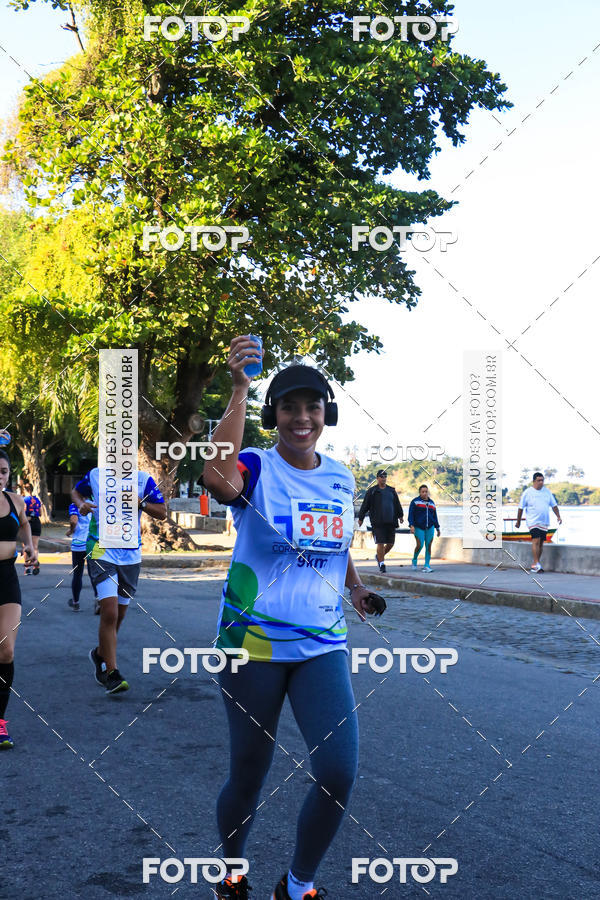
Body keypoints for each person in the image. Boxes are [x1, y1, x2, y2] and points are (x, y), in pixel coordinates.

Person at [202, 335, 383, 900]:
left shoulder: (342, 476)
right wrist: (239, 387)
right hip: (249, 644)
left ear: (326, 413)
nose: (301, 418)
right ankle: (232, 870)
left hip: (322, 644)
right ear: (273, 415)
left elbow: (337, 543)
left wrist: (354, 588)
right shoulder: (256, 464)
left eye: (312, 407)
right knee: (249, 774)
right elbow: (216, 480)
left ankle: (298, 883)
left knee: (338, 770)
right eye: (288, 407)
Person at [71, 466, 166, 693]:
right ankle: (111, 672)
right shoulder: (95, 474)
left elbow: (162, 512)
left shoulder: (143, 479)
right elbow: (76, 492)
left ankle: (99, 653)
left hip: (130, 555)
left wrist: (140, 503)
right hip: (100, 550)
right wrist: (81, 504)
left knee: (120, 614)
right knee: (110, 612)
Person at [0, 448, 37, 749]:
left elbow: (24, 524)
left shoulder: (15, 500)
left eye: (3, 471)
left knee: (6, 652)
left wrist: (30, 547)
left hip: (7, 579)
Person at [357, 469, 404, 573]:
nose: (383, 478)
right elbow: (365, 505)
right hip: (377, 522)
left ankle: (378, 556)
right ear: (377, 478)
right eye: (381, 477)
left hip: (391, 521)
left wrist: (400, 516)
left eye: (385, 476)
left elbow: (397, 504)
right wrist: (361, 518)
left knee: (391, 543)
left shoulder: (391, 490)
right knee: (380, 542)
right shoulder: (372, 491)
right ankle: (382, 564)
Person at [516, 472, 562, 573]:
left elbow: (554, 505)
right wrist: (518, 521)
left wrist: (558, 516)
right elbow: (520, 508)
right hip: (533, 521)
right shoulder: (527, 492)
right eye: (539, 480)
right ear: (534, 481)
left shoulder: (547, 492)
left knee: (541, 543)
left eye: (542, 480)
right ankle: (537, 564)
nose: (541, 482)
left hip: (544, 521)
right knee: (536, 540)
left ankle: (535, 564)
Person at [65, 500, 99, 612]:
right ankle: (98, 600)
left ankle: (76, 603)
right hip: (92, 542)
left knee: (77, 574)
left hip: (78, 544)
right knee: (93, 573)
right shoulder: (95, 501)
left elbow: (74, 520)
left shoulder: (74, 505)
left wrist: (70, 530)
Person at [408, 484, 441, 572]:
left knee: (428, 546)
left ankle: (427, 565)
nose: (425, 493)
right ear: (419, 492)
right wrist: (411, 525)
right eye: (423, 492)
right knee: (420, 545)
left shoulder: (432, 503)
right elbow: (410, 514)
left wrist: (437, 528)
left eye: (426, 492)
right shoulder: (415, 502)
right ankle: (414, 560)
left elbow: (435, 516)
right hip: (419, 527)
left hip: (430, 527)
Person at [22, 483, 42, 575]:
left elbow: (22, 512)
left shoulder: (24, 500)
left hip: (27, 522)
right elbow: (40, 513)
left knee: (26, 546)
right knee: (35, 546)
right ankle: (35, 564)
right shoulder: (37, 500)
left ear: (24, 490)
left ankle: (27, 568)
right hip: (37, 522)